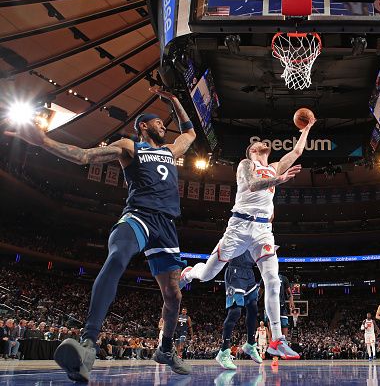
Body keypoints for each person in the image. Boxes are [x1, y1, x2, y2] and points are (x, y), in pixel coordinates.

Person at [5, 87, 196, 381]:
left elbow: (190, 133)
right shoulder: (130, 147)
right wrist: (43, 141)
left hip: (167, 226)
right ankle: (88, 343)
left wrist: (174, 101)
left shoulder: (171, 151)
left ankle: (166, 349)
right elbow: (84, 156)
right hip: (139, 216)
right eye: (158, 122)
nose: (163, 125)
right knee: (118, 256)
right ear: (143, 125)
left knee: (173, 296)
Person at [179, 113, 316, 359]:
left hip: (263, 230)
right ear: (252, 150)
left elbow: (296, 153)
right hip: (240, 227)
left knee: (273, 281)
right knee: (209, 274)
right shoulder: (246, 165)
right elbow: (253, 185)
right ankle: (189, 272)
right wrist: (279, 179)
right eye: (257, 144)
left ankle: (277, 340)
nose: (263, 143)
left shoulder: (273, 167)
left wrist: (308, 129)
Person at [215, 251, 263, 370]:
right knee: (235, 312)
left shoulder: (259, 234)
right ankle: (224, 351)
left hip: (249, 273)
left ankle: (250, 344)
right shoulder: (236, 233)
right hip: (234, 273)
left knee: (253, 307)